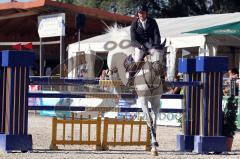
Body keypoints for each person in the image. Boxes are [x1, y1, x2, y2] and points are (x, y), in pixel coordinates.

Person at [127, 4, 161, 86]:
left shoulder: (152, 21)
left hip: (151, 45)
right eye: (140, 13)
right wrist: (141, 46)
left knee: (158, 59)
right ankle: (130, 79)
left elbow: (157, 35)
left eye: (143, 13)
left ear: (146, 13)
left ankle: (162, 80)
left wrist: (155, 46)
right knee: (137, 59)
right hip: (140, 46)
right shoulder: (134, 24)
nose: (141, 14)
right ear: (137, 14)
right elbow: (133, 40)